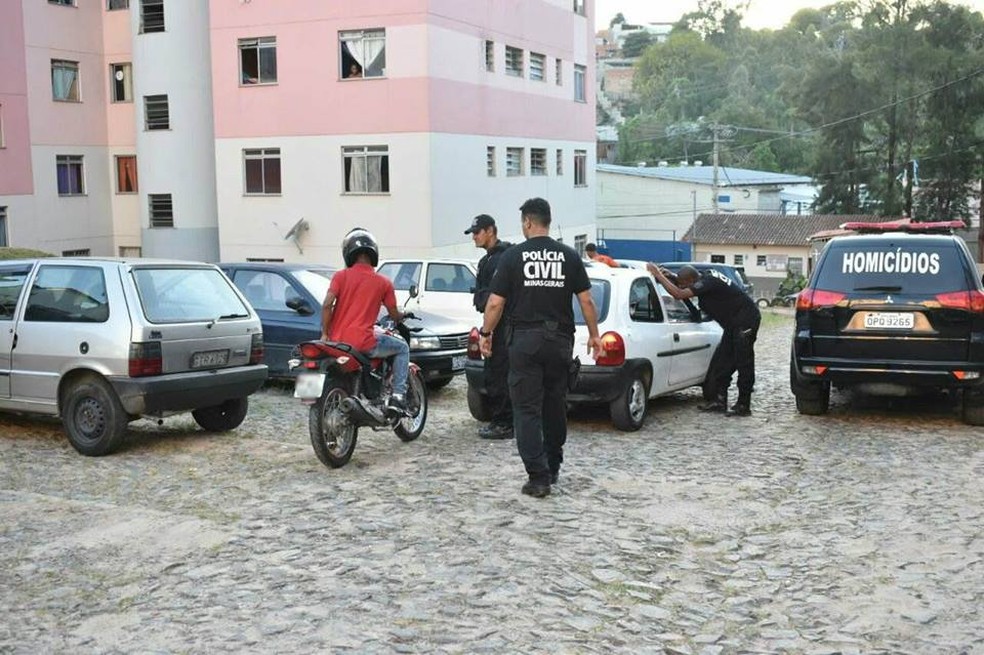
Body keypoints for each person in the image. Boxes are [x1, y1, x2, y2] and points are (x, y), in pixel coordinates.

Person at [480, 198, 603, 498]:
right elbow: (586, 300)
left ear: (527, 222)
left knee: (526, 409)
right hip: (560, 341)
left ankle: (538, 477)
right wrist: (594, 335)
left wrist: (486, 333)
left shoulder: (513, 257)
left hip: (524, 342)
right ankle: (553, 465)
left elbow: (495, 303)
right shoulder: (569, 256)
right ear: (548, 220)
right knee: (554, 404)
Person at [647, 263, 760, 417]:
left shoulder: (708, 282)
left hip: (745, 320)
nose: (681, 286)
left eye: (683, 283)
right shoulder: (703, 277)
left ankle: (743, 405)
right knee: (722, 361)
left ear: (691, 280)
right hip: (732, 324)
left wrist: (659, 275)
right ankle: (719, 401)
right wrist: (672, 276)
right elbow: (690, 285)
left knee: (743, 362)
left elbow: (679, 294)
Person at [321, 228, 410, 410]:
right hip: (363, 342)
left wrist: (324, 333)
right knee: (402, 347)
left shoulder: (340, 276)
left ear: (349, 254)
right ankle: (398, 395)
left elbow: (327, 304)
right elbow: (394, 314)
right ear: (373, 253)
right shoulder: (383, 282)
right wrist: (401, 316)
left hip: (336, 343)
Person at [465, 214, 513, 440]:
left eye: (477, 232)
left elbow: (495, 300)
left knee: (498, 375)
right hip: (500, 323)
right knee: (497, 374)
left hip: (502, 325)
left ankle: (504, 423)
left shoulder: (500, 259)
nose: (474, 237)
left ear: (490, 231)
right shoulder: (492, 258)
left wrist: (487, 332)